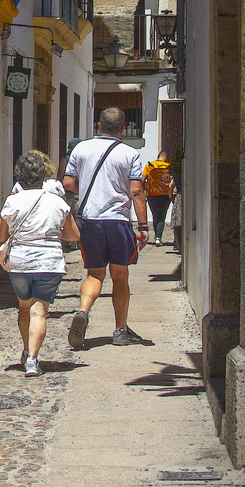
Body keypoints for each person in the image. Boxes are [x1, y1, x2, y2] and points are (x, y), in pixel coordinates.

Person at [63, 108, 149, 348]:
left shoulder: (81, 149)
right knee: (120, 277)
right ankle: (120, 330)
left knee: (94, 274)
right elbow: (136, 192)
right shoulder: (130, 154)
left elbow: (68, 183)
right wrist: (143, 226)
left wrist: (93, 189)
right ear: (122, 129)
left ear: (98, 127)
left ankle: (82, 311)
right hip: (118, 221)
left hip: (90, 220)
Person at [0, 150, 79, 377]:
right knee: (39, 311)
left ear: (18, 176)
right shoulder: (57, 202)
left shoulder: (12, 201)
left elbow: (2, 236)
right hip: (49, 263)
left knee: (24, 307)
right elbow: (73, 235)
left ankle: (26, 350)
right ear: (43, 175)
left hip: (20, 263)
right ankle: (33, 359)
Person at [142, 152, 175, 246]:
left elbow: (143, 180)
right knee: (162, 216)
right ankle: (158, 238)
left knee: (155, 215)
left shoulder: (150, 165)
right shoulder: (169, 166)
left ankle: (157, 237)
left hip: (152, 194)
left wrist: (144, 190)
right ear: (166, 158)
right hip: (165, 195)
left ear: (157, 157)